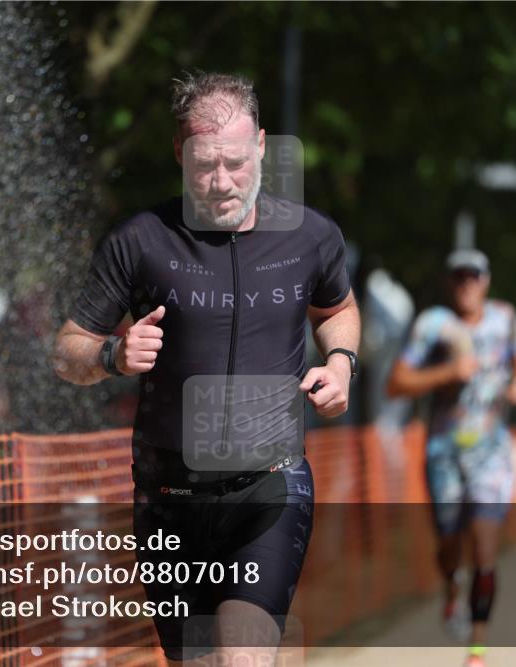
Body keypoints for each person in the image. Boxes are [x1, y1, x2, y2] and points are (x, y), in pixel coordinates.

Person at [52, 71, 360, 666]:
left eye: (237, 163)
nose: (221, 183)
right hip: (169, 499)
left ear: (263, 145)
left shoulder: (310, 236)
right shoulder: (139, 241)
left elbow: (338, 309)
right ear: (178, 152)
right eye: (204, 166)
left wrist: (342, 364)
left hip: (269, 487)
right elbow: (68, 351)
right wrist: (112, 355)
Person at [386, 249, 516, 667]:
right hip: (443, 452)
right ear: (449, 283)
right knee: (448, 542)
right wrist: (447, 373)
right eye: (459, 277)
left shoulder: (504, 318)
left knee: (485, 547)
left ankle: (477, 649)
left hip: (490, 453)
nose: (466, 284)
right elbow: (396, 383)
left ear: (486, 281)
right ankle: (452, 587)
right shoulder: (433, 325)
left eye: (474, 276)